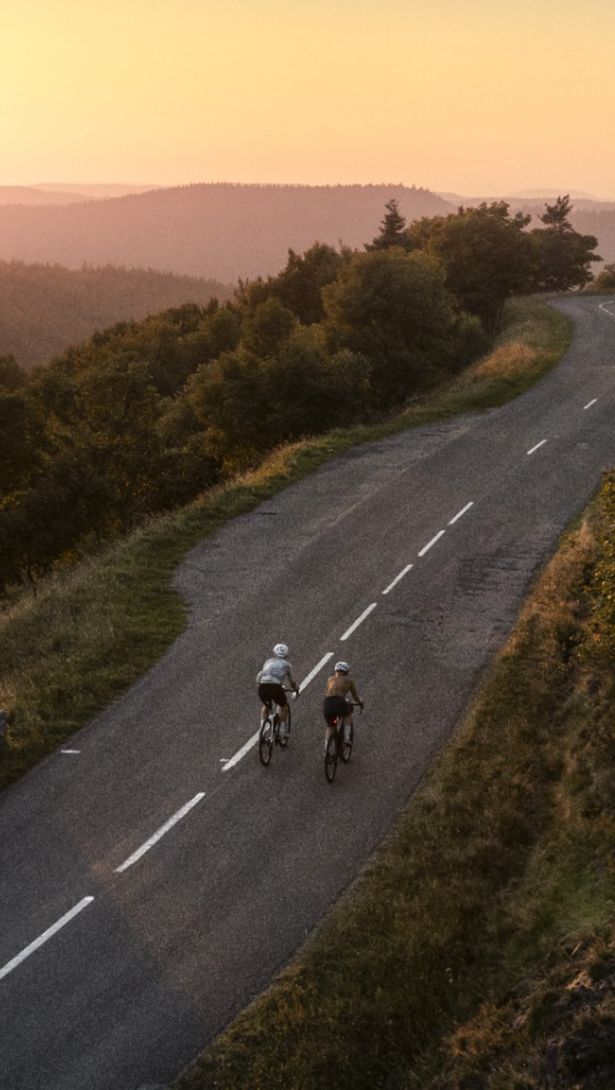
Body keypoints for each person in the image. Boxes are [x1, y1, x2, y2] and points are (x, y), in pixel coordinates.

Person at [256, 643, 299, 731]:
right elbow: (292, 682)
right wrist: (295, 689)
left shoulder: (268, 662)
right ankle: (282, 729)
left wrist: (259, 686)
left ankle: (262, 728)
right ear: (286, 654)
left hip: (262, 686)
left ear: (274, 653)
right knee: (284, 706)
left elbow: (261, 675)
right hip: (275, 687)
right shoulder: (287, 665)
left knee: (267, 706)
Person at [322, 661, 363, 747]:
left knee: (331, 726)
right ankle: (347, 738)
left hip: (327, 703)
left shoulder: (330, 679)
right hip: (339, 701)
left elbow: (328, 692)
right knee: (347, 715)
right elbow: (355, 697)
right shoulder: (349, 681)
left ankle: (326, 746)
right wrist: (360, 702)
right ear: (346, 672)